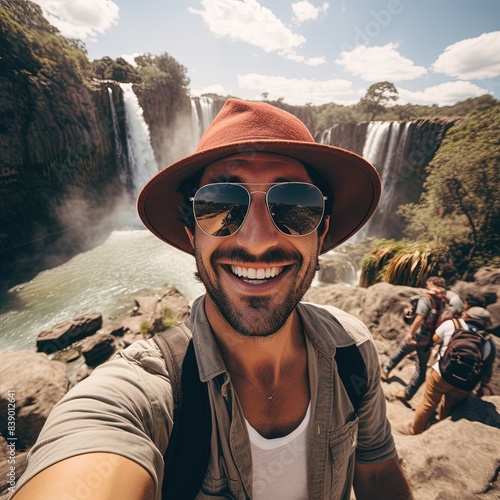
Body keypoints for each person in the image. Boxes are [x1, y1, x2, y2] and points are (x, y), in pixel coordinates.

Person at [13, 99, 412, 499]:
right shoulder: (139, 396)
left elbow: (377, 474)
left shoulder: (352, 349)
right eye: (220, 205)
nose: (257, 241)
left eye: (294, 205)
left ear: (321, 233)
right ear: (192, 236)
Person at [408, 307, 493, 434]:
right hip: (465, 383)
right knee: (448, 410)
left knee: (428, 404)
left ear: (467, 315)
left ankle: (415, 431)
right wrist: (482, 388)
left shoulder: (452, 324)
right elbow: (487, 370)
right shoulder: (488, 341)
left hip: (442, 373)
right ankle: (439, 433)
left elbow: (436, 339)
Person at [381, 276, 448, 401]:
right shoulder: (443, 300)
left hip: (420, 334)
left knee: (401, 350)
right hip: (430, 338)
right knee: (421, 367)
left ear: (431, 283)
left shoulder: (427, 297)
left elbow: (420, 317)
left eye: (427, 284)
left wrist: (410, 333)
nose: (426, 286)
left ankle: (385, 371)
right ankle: (408, 393)